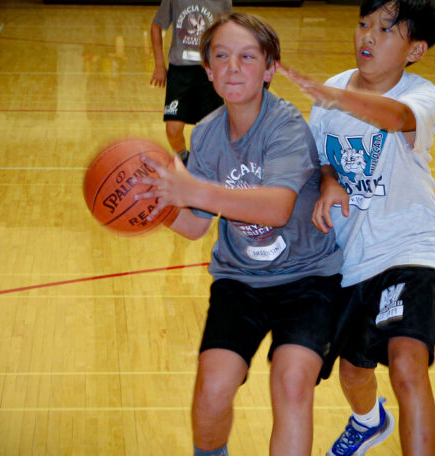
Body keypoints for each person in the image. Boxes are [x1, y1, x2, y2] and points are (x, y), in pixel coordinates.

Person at [139, 12, 344, 456]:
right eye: (222, 57)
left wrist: (193, 188)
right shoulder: (209, 133)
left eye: (247, 57)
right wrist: (152, 207)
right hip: (239, 280)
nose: (234, 67)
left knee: (291, 382)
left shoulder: (286, 126)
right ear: (208, 71)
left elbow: (275, 208)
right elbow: (195, 224)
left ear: (269, 69)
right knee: (212, 388)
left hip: (308, 279)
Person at [279, 1, 435, 455]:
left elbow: (393, 118)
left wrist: (331, 96)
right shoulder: (333, 89)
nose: (368, 36)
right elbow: (321, 161)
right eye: (363, 24)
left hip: (410, 248)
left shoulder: (422, 96)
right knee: (354, 372)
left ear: (415, 49)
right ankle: (369, 421)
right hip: (350, 257)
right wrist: (331, 182)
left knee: (407, 365)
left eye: (386, 30)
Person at [150, 0, 232, 164]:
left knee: (212, 132)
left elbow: (228, 33)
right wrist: (159, 64)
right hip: (180, 72)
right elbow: (156, 26)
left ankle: (211, 168)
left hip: (209, 73)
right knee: (173, 130)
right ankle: (184, 161)